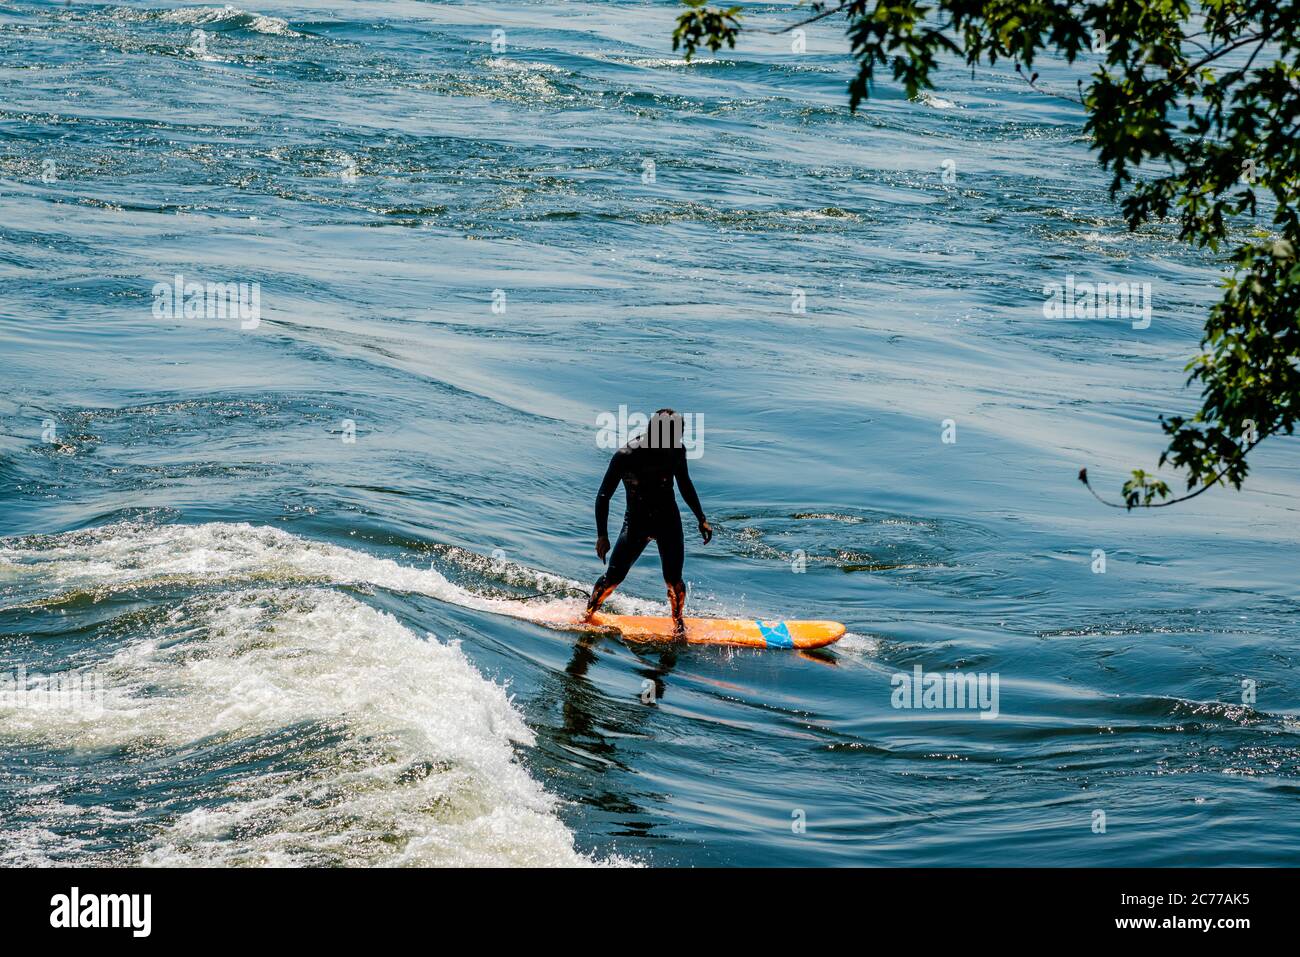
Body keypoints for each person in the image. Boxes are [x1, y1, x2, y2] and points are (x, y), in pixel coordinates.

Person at [584, 409, 712, 635]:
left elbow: (685, 484)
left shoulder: (676, 451)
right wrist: (602, 535)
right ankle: (588, 614)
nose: (677, 441)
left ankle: (678, 624)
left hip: (668, 521)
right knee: (612, 579)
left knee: (674, 582)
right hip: (636, 523)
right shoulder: (627, 455)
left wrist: (701, 518)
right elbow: (604, 495)